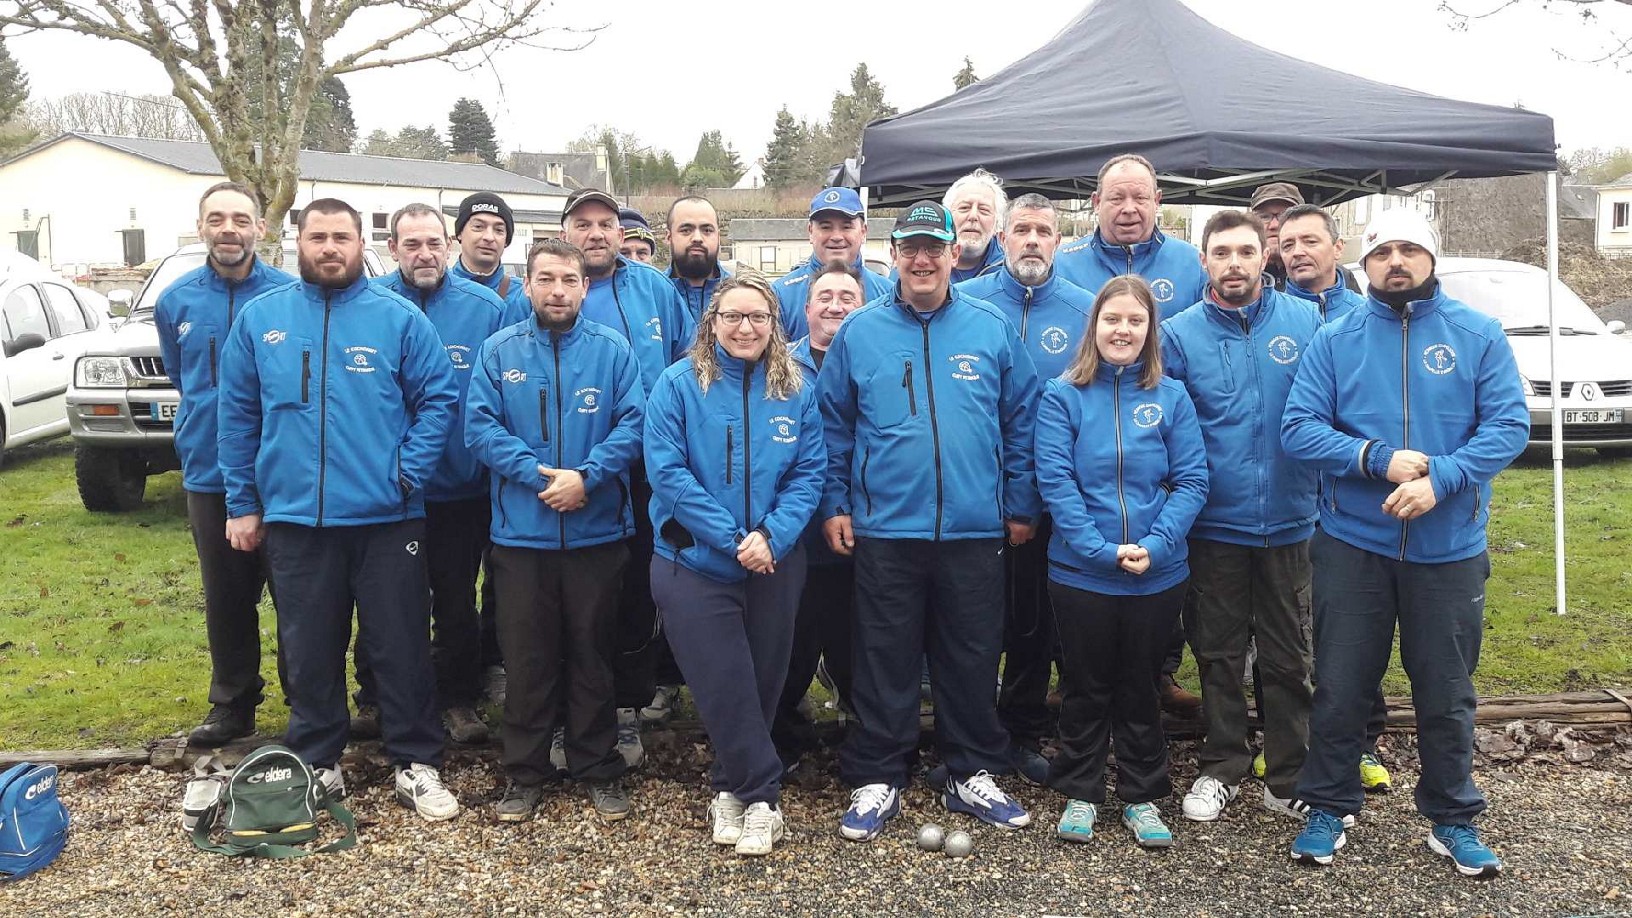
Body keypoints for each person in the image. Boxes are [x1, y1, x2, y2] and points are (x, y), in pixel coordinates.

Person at [1285, 208, 1528, 877]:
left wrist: (1442, 479)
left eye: (1409, 250)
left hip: (1447, 547)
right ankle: (1330, 805)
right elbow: (1299, 428)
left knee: (1446, 693)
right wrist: (1375, 458)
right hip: (1351, 543)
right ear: (1363, 262)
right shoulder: (1334, 339)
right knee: (1340, 684)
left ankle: (1452, 817)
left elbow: (1509, 424)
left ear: (1432, 257)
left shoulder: (1477, 335)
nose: (1396, 261)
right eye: (1383, 250)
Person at [217, 197, 461, 820]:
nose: (330, 248)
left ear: (362, 243)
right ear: (297, 242)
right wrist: (244, 503)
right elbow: (238, 416)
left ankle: (415, 760)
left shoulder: (399, 319)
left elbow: (438, 401)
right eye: (318, 237)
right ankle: (317, 760)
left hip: (387, 518)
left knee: (400, 643)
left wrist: (405, 473)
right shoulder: (261, 320)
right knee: (309, 644)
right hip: (297, 519)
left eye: (342, 238)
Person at [820, 201, 1042, 841]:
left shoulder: (990, 326)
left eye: (934, 248)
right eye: (911, 248)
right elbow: (833, 426)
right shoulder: (860, 332)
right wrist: (836, 502)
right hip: (886, 527)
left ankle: (970, 768)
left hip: (975, 528)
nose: (922, 260)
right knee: (884, 655)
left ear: (953, 253)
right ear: (893, 255)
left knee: (971, 654)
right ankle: (880, 770)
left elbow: (1022, 418)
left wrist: (1022, 500)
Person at [644, 272, 825, 857]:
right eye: (733, 317)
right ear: (712, 323)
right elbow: (668, 472)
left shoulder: (796, 387)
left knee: (762, 682)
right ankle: (764, 796)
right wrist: (732, 538)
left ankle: (729, 786)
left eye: (758, 318)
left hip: (775, 560)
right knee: (722, 681)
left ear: (775, 325)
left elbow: (808, 472)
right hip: (694, 560)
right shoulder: (678, 384)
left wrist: (772, 536)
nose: (745, 327)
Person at [465, 237, 645, 824]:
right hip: (523, 535)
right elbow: (481, 428)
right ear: (529, 283)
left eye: (568, 280)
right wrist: (539, 475)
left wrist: (587, 478)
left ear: (584, 285)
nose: (558, 290)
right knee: (528, 659)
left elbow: (635, 423)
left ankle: (596, 765)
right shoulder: (499, 351)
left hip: (597, 533)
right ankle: (525, 772)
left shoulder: (613, 351)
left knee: (593, 654)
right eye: (546, 279)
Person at [1160, 210, 1323, 825]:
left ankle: (1288, 772)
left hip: (1290, 519)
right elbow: (1168, 430)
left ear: (1266, 258)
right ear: (1204, 261)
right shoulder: (1177, 335)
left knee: (1287, 657)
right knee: (1218, 652)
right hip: (1213, 524)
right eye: (1222, 252)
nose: (1234, 263)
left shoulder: (1308, 323)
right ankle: (1222, 764)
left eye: (1246, 252)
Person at [1036, 275, 1208, 849]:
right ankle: (1081, 790)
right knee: (1085, 684)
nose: (1123, 330)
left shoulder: (1172, 397)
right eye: (1113, 319)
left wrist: (1156, 545)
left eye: (1135, 321)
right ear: (1095, 327)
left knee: (1140, 686)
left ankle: (1141, 795)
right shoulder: (1062, 396)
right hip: (1082, 572)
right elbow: (1055, 482)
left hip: (1157, 575)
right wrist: (1097, 549)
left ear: (1149, 331)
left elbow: (1191, 480)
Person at [958, 193, 1094, 783]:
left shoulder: (1085, 310)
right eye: (1022, 231)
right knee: (975, 620)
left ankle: (1021, 729)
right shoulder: (969, 302)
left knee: (1035, 620)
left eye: (1044, 231)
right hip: (975, 493)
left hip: (1058, 494)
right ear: (1002, 238)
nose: (1032, 241)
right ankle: (968, 734)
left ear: (1058, 241)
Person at [1258, 203, 1392, 794]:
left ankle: (1358, 741)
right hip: (1285, 502)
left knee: (1345, 631)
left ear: (1337, 249)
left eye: (1310, 241)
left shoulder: (1367, 318)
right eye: (1288, 244)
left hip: (1348, 503)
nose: (1298, 253)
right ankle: (1282, 740)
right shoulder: (1271, 313)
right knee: (1284, 634)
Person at [561, 186, 696, 769]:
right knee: (578, 596)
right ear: (567, 232)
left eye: (605, 223)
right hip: (573, 473)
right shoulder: (549, 289)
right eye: (583, 223)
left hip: (647, 466)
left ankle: (627, 709)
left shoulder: (656, 290)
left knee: (639, 588)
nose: (595, 233)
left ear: (622, 233)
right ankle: (571, 712)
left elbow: (693, 362)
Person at [365, 203, 510, 746]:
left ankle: (458, 697)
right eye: (411, 245)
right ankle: (376, 694)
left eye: (432, 244)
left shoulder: (484, 309)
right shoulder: (372, 305)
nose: (423, 254)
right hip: (388, 488)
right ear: (392, 249)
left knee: (455, 598)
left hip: (462, 487)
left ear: (448, 246)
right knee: (386, 599)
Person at [156, 181, 289, 746]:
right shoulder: (177, 300)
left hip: (285, 474)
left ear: (260, 227)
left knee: (298, 595)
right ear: (201, 226)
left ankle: (308, 698)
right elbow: (179, 374)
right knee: (227, 595)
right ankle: (232, 704)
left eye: (240, 218)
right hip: (210, 472)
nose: (229, 229)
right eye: (217, 219)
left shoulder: (289, 295)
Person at [771, 261, 867, 768]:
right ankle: (782, 734)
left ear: (863, 304)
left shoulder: (872, 357)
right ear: (805, 308)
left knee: (854, 638)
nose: (835, 305)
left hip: (860, 522)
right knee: (791, 639)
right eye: (825, 296)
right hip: (793, 529)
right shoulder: (777, 364)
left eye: (847, 297)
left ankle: (859, 731)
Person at [449, 190, 531, 709]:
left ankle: (496, 662)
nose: (488, 236)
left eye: (498, 229)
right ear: (459, 233)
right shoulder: (437, 288)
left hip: (505, 468)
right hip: (449, 470)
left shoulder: (518, 294)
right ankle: (455, 674)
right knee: (451, 583)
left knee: (502, 578)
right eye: (478, 226)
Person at [1056, 154, 1205, 322]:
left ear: (1156, 200)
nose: (1129, 209)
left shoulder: (1192, 263)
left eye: (1140, 198)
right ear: (1096, 202)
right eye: (1117, 198)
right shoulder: (1062, 265)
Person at [773, 187, 893, 340]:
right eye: (826, 227)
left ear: (863, 232)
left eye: (846, 227)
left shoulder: (888, 293)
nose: (836, 236)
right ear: (810, 232)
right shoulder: (781, 295)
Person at [666, 195, 731, 321]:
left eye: (707, 230)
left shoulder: (740, 293)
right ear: (669, 237)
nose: (697, 238)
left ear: (718, 237)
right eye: (686, 230)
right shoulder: (654, 295)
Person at [944, 168, 1008, 283]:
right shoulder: (924, 264)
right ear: (947, 216)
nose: (973, 216)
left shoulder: (1011, 271)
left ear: (997, 223)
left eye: (984, 210)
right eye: (964, 208)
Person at [1249, 182, 1303, 291]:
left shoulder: (1332, 277)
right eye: (1264, 217)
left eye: (1284, 215)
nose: (1274, 225)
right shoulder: (1235, 276)